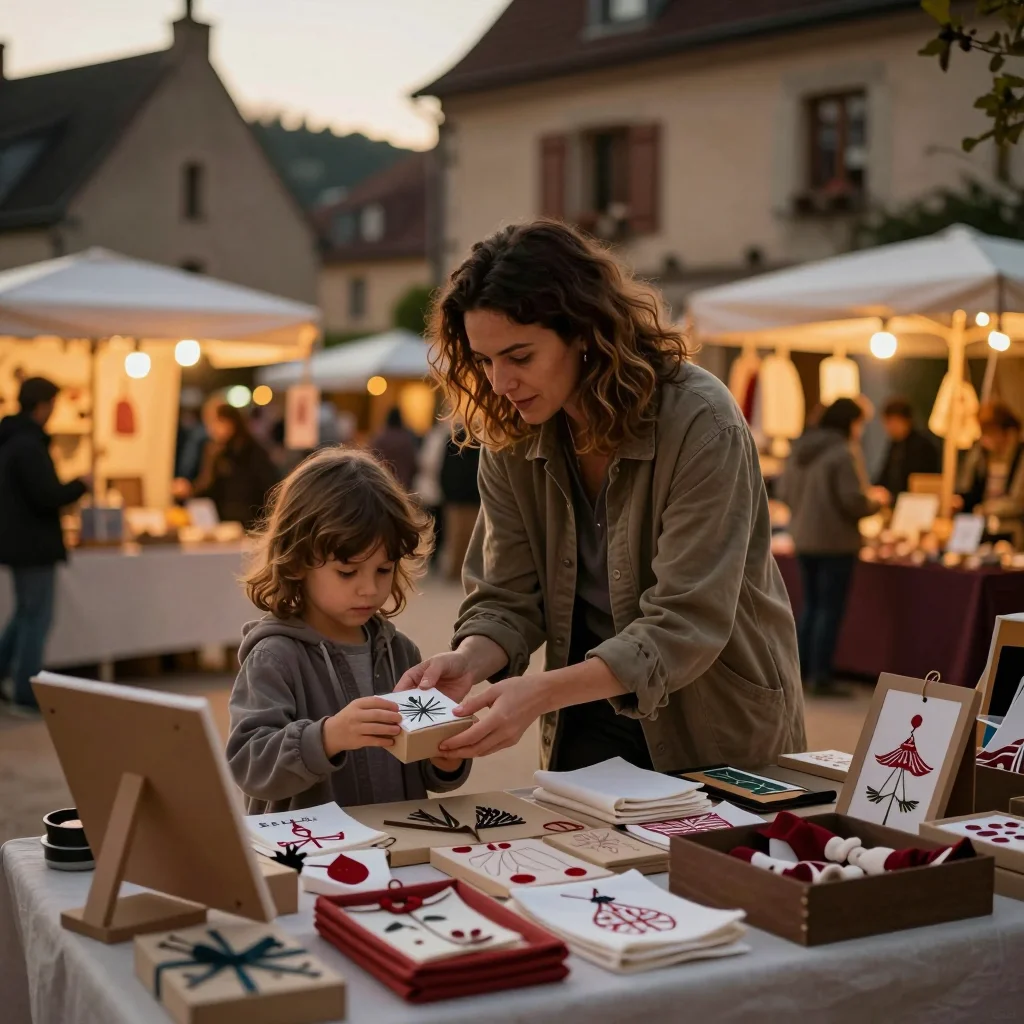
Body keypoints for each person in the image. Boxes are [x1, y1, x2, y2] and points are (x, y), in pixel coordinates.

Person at [395, 219, 805, 771]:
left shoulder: (701, 421)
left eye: (519, 357)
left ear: (585, 332)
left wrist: (537, 692)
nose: (498, 383)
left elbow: (687, 623)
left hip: (713, 722)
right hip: (583, 715)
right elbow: (508, 597)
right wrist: (469, 661)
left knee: (708, 861)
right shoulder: (510, 435)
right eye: (485, 361)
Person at [226, 447, 469, 813]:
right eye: (347, 572)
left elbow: (424, 769)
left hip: (398, 847)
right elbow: (250, 763)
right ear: (296, 561)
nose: (369, 589)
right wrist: (326, 738)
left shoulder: (402, 653)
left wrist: (445, 756)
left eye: (383, 570)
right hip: (310, 856)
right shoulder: (274, 657)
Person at [777, 398, 888, 695]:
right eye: (859, 423)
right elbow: (853, 500)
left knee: (811, 606)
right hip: (836, 542)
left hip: (802, 538)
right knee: (829, 609)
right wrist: (876, 501)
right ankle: (821, 676)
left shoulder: (800, 449)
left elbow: (784, 492)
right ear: (849, 422)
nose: (861, 430)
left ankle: (801, 670)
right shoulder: (842, 452)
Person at [0, 377, 90, 713]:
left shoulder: (13, 440)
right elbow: (46, 496)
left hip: (19, 542)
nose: (53, 411)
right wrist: (80, 485)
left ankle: (10, 678)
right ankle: (25, 691)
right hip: (33, 544)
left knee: (25, 615)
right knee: (36, 617)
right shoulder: (28, 445)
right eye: (52, 404)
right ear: (41, 405)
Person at [173, 399, 279, 530]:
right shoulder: (216, 450)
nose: (211, 428)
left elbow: (268, 487)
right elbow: (209, 486)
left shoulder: (251, 451)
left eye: (216, 422)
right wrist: (189, 490)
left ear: (230, 421)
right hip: (224, 524)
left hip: (249, 524)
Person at [958, 401, 1024, 546]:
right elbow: (970, 490)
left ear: (1008, 432)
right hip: (982, 527)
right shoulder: (981, 456)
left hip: (1012, 531)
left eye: (990, 432)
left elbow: (1019, 502)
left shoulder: (1019, 457)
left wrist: (986, 508)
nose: (985, 438)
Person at [873, 396, 941, 501]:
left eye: (893, 422)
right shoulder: (894, 444)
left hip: (917, 501)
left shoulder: (923, 445)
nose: (889, 427)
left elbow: (926, 479)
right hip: (896, 501)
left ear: (906, 421)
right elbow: (885, 473)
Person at [440, 425, 481, 582]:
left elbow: (445, 469)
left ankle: (458, 571)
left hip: (458, 497)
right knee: (465, 537)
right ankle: (459, 571)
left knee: (459, 536)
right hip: (466, 497)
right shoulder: (476, 441)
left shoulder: (453, 440)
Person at [413, 418, 450, 567]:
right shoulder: (440, 437)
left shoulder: (435, 437)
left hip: (433, 488)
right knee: (435, 524)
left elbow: (425, 461)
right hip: (434, 488)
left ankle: (431, 554)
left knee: (433, 524)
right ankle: (432, 554)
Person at [371, 407, 419, 492]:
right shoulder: (407, 440)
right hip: (403, 485)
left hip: (383, 485)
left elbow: (372, 461)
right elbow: (414, 465)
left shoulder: (380, 439)